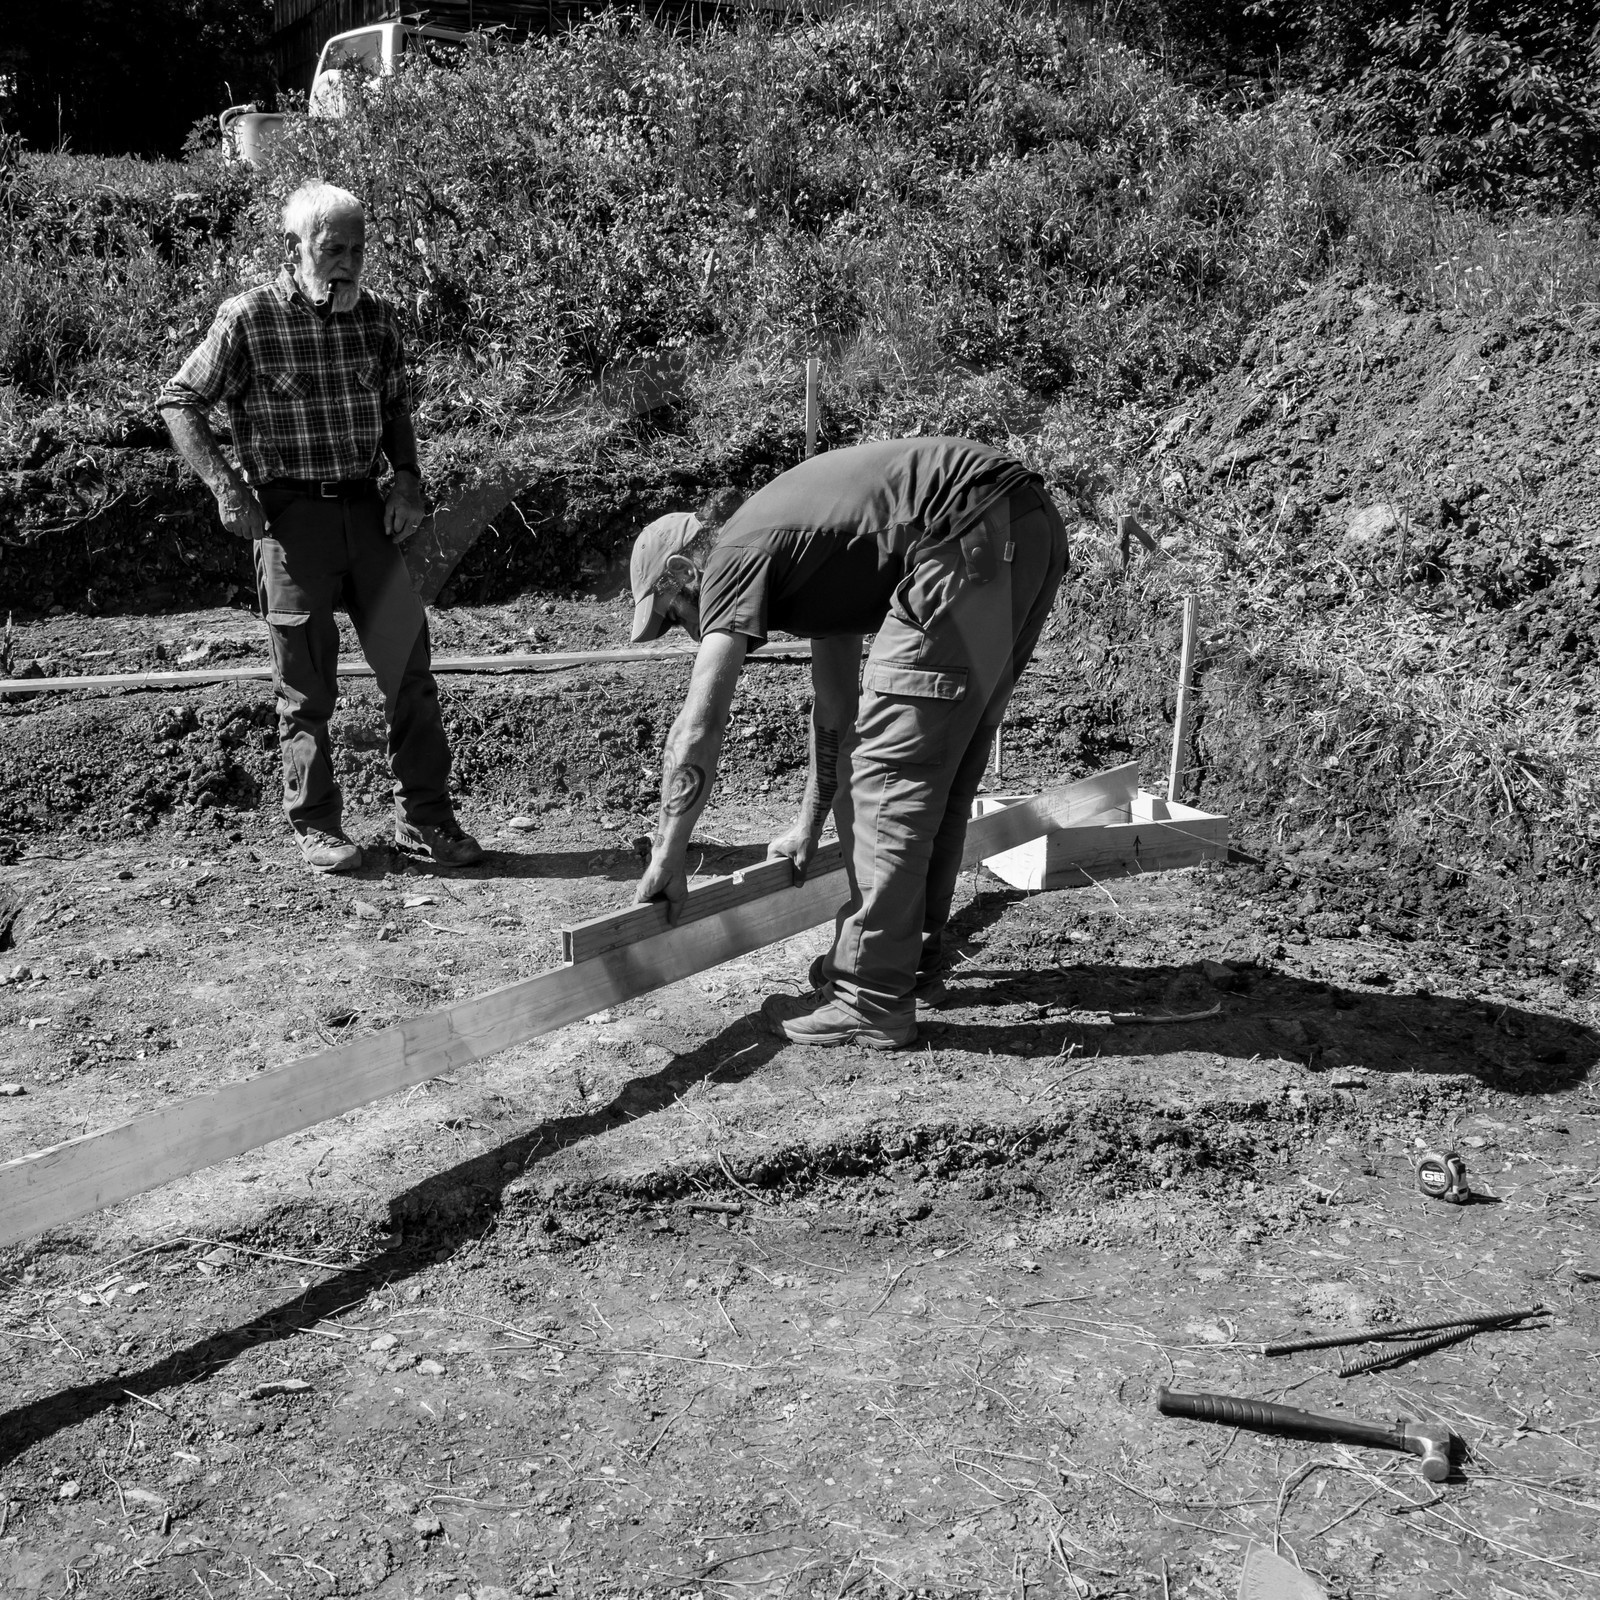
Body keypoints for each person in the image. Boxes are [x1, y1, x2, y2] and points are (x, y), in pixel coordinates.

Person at [628, 437, 1068, 1048]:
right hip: (1022, 526)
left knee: (892, 776)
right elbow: (837, 710)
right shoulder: (811, 557)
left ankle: (869, 994)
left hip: (967, 531)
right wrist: (807, 826)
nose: (686, 633)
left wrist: (669, 855)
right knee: (937, 764)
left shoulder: (731, 557)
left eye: (675, 616)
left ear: (682, 572)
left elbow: (698, 725)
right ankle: (908, 960)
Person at [156, 181, 482, 875]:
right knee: (306, 688)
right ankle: (317, 825)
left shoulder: (378, 320)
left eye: (358, 249)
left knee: (410, 674)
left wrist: (408, 478)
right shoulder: (250, 318)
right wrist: (226, 486)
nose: (347, 263)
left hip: (366, 514)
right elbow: (180, 400)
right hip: (290, 518)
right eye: (333, 248)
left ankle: (425, 822)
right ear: (295, 247)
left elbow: (395, 405)